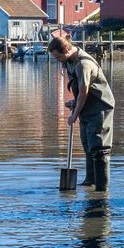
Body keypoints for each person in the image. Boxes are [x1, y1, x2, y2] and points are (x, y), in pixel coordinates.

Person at [49, 36, 116, 192]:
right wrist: (74, 102)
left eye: (59, 57)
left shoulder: (83, 64)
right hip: (86, 107)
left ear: (66, 50)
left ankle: (101, 191)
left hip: (100, 108)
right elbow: (80, 90)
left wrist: (74, 115)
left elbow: (84, 91)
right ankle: (90, 182)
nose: (58, 61)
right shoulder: (68, 62)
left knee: (99, 148)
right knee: (88, 145)